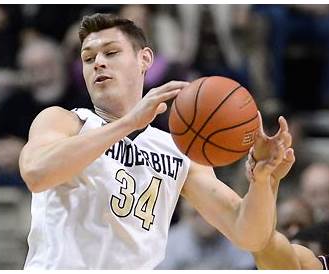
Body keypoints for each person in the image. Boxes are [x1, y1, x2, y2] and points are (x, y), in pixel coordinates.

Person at [19, 13, 294, 269]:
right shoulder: (64, 121)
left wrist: (263, 180)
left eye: (111, 52)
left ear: (145, 59)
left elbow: (249, 236)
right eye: (88, 59)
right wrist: (127, 123)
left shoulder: (178, 151)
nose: (98, 62)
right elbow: (36, 173)